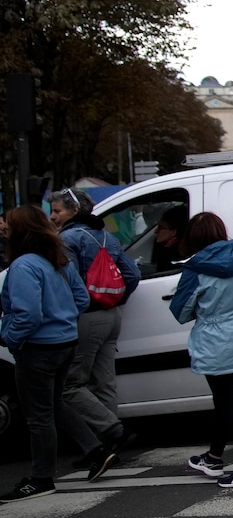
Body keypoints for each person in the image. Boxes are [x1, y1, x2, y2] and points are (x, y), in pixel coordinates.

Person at [1, 206, 107, 502]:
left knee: (38, 417)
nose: (3, 228)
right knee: (54, 404)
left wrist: (9, 336)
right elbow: (82, 299)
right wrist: (62, 317)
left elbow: (28, 315)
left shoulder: (23, 266)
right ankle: (97, 449)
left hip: (38, 348)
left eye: (7, 223)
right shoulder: (58, 260)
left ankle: (41, 477)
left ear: (21, 230)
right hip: (65, 342)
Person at [171, 212, 233, 488]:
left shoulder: (195, 269)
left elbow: (180, 311)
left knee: (227, 401)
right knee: (225, 398)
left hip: (216, 341)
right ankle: (214, 457)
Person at [48, 188, 139, 459]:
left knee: (71, 385)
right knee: (105, 382)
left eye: (57, 211)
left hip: (86, 318)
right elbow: (131, 274)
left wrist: (74, 311)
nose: (52, 216)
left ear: (73, 212)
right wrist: (113, 299)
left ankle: (113, 431)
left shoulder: (67, 238)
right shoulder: (105, 236)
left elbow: (69, 284)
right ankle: (111, 445)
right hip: (111, 317)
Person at [152, 206, 188, 272]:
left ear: (173, 232)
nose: (156, 231)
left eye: (160, 227)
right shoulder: (165, 248)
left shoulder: (175, 254)